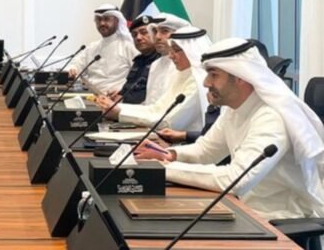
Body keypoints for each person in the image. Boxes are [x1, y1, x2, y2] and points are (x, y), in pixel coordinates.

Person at [137, 38, 324, 220]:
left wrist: (162, 169)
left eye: (214, 75)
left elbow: (236, 180)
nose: (206, 83)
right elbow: (205, 151)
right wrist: (168, 154)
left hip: (279, 219)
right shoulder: (234, 109)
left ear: (240, 77)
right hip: (243, 208)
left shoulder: (271, 117)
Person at [97, 26, 212, 132]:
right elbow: (156, 109)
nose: (171, 56)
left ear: (192, 51)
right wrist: (116, 107)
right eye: (171, 50)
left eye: (176, 50)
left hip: (184, 143)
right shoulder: (183, 75)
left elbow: (169, 122)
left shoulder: (199, 81)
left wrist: (119, 114)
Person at [67, 4, 138, 94]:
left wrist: (122, 91)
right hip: (90, 95)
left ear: (117, 21)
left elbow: (139, 76)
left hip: (116, 98)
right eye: (99, 19)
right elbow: (76, 64)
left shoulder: (129, 46)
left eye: (107, 19)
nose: (102, 23)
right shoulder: (93, 47)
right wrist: (72, 68)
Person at [103, 15, 161, 104]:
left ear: (155, 34)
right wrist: (119, 94)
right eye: (134, 35)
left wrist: (122, 100)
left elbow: (149, 97)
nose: (138, 38)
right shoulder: (139, 60)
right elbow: (130, 87)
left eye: (144, 32)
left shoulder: (161, 60)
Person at [144, 13, 190, 105]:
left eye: (164, 31)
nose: (157, 37)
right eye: (155, 31)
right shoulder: (155, 65)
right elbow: (149, 102)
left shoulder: (186, 64)